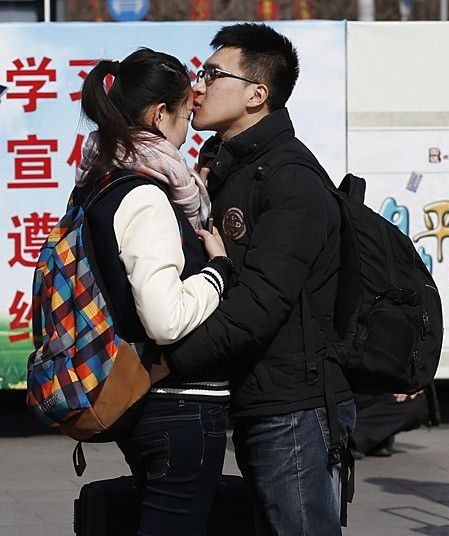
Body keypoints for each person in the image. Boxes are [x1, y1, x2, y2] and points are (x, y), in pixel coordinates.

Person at [158, 23, 355, 536]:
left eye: (210, 74)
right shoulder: (229, 170)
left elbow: (258, 307)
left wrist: (162, 363)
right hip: (258, 400)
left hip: (294, 409)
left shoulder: (290, 178)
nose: (195, 87)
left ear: (256, 95)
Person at [76, 48, 233, 534]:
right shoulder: (145, 195)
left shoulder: (99, 180)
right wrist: (218, 272)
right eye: (185, 115)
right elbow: (164, 318)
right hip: (177, 405)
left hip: (143, 396)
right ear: (160, 114)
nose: (187, 130)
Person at [350, 392, 428, 459]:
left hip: (381, 394)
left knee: (415, 405)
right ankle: (359, 439)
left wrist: (413, 386)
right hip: (349, 393)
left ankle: (360, 437)